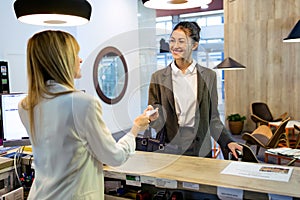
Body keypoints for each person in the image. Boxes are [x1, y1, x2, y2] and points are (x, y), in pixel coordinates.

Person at [18, 30, 157, 199]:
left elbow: (67, 151)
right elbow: (115, 157)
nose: (80, 59)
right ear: (62, 61)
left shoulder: (26, 105)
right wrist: (136, 128)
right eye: (75, 54)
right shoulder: (82, 103)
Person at [148, 21, 242, 158]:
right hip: (169, 145)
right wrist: (153, 119)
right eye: (172, 41)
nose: (175, 46)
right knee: (171, 180)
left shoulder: (209, 76)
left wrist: (228, 141)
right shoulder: (158, 77)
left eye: (181, 41)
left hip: (200, 145)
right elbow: (155, 116)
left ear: (194, 45)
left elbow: (213, 117)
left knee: (200, 179)